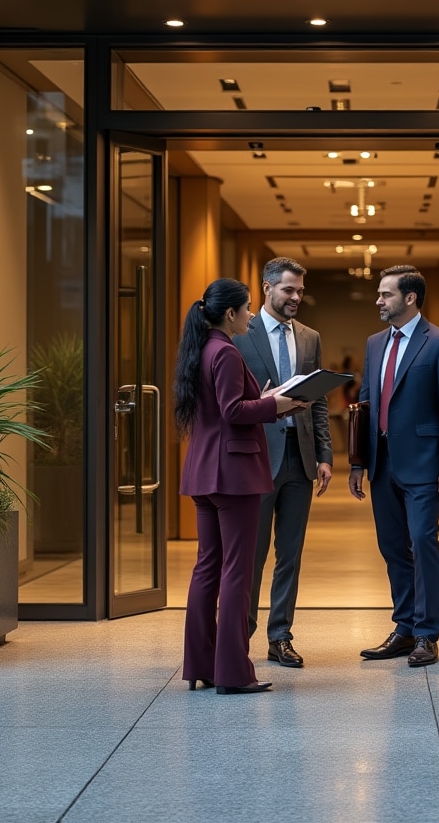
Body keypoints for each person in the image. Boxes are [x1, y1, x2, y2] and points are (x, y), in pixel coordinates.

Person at [173, 277, 307, 694]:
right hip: (233, 475)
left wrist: (262, 397)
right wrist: (278, 405)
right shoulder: (226, 352)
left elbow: (217, 408)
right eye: (247, 308)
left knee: (207, 568)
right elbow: (233, 411)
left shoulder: (199, 350)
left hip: (203, 473)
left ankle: (201, 665)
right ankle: (232, 672)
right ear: (229, 314)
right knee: (236, 572)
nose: (251, 314)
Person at [348, 265, 439, 666]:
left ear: (410, 298)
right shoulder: (374, 342)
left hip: (424, 466)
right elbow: (365, 402)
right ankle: (404, 628)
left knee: (423, 542)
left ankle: (427, 634)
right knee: (393, 547)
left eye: (386, 295)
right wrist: (358, 462)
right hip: (382, 464)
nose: (378, 301)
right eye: (380, 295)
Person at [234, 257, 333, 668]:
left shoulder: (309, 337)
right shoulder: (240, 333)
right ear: (267, 287)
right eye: (288, 290)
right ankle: (240, 638)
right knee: (251, 556)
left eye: (300, 291)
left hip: (300, 460)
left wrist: (325, 455)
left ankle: (280, 637)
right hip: (257, 458)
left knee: (289, 554)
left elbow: (320, 402)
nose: (296, 298)